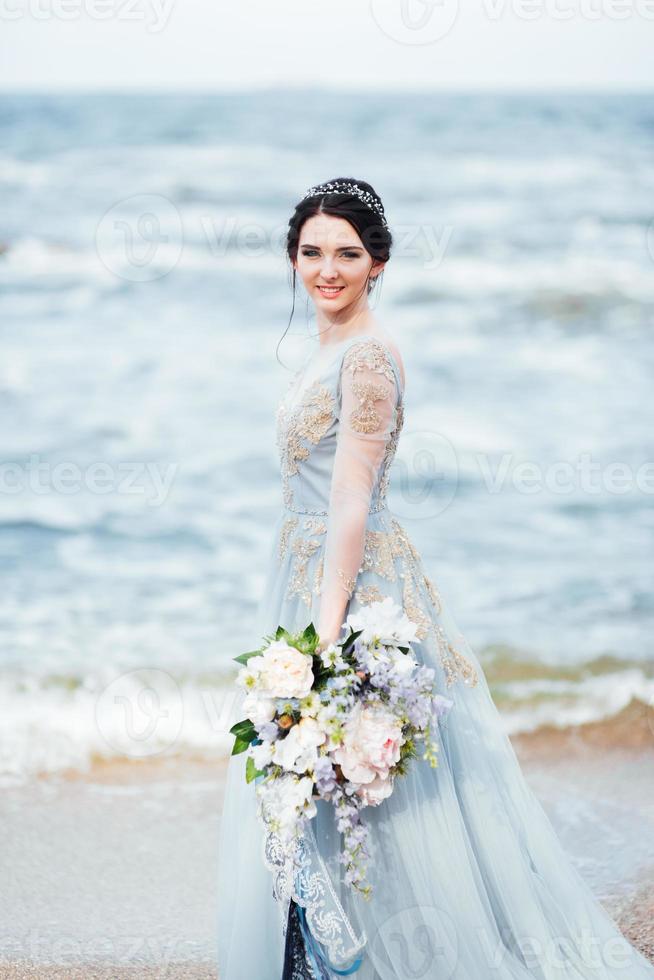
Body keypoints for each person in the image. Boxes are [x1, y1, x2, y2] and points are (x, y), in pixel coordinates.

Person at [216, 177, 654, 979]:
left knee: (370, 783)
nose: (327, 269)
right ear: (291, 259)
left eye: (347, 253)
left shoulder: (371, 357)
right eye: (311, 252)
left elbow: (351, 497)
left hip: (350, 590)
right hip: (305, 574)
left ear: (378, 262)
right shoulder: (327, 352)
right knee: (319, 777)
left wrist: (324, 632)